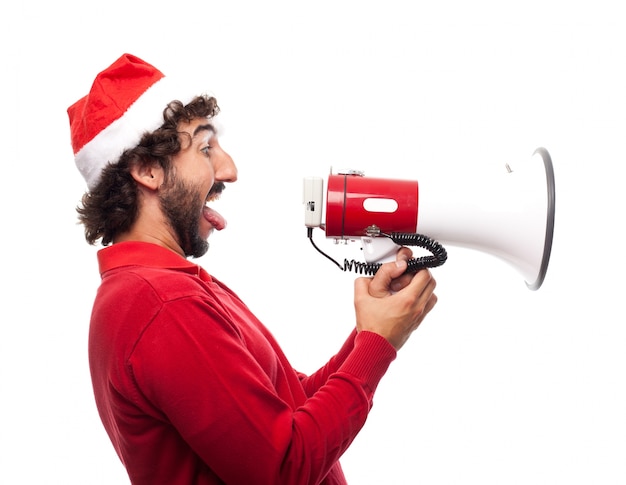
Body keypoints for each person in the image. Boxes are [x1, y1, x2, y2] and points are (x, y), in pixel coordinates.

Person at [68, 53, 438, 485]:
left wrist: (368, 335)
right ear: (148, 171)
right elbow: (282, 469)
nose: (229, 170)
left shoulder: (166, 289)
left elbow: (292, 404)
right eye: (206, 148)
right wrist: (378, 344)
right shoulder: (164, 305)